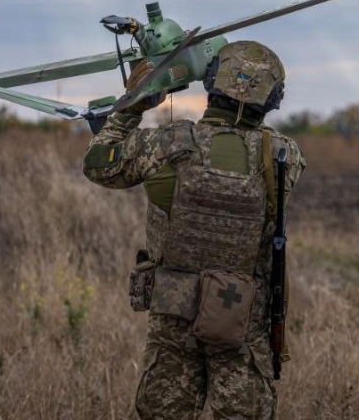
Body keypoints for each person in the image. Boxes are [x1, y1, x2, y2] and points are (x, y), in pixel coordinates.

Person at [83, 41, 304, 420]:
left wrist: (131, 106)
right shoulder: (284, 156)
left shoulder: (165, 145)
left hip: (173, 314)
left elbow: (98, 164)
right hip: (240, 319)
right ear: (272, 98)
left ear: (211, 84)